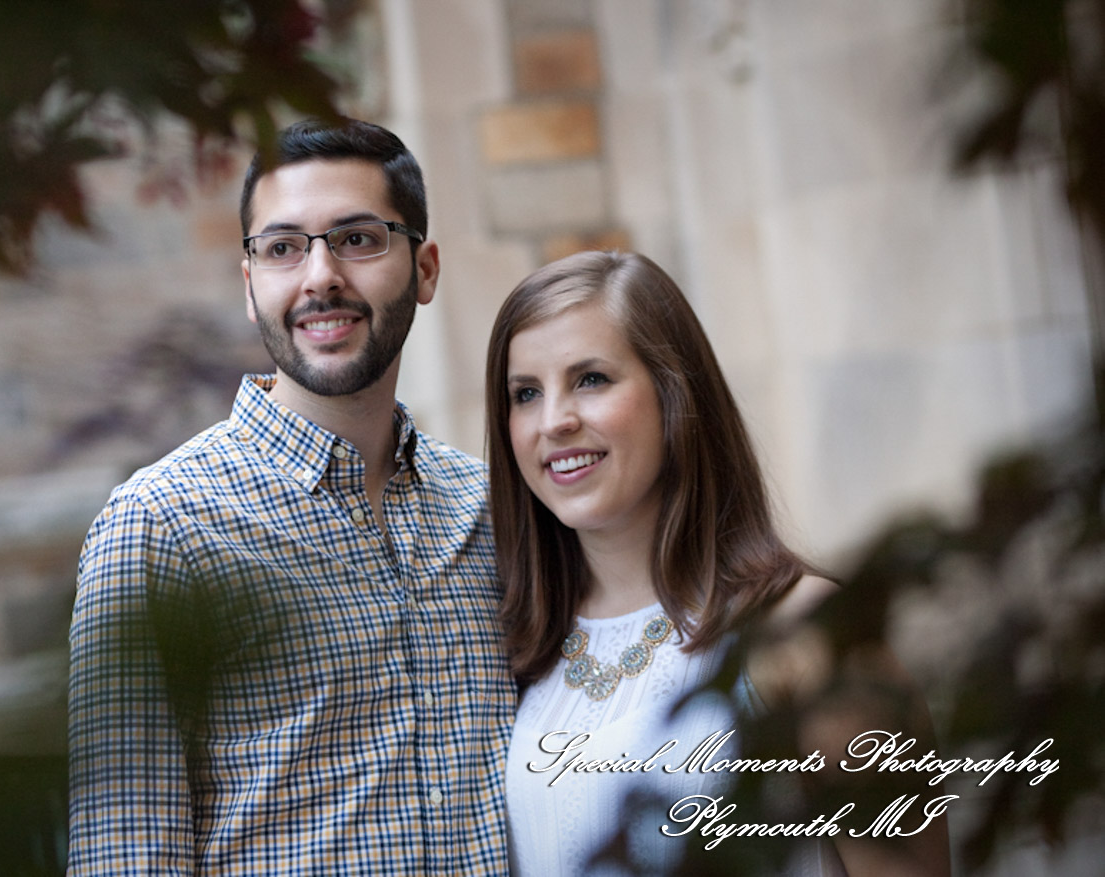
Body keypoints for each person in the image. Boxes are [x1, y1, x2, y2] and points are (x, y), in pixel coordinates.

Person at [68, 118, 514, 875]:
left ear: (426, 267)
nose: (319, 277)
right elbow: (126, 854)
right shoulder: (160, 526)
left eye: (359, 238)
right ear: (251, 286)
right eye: (282, 248)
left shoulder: (491, 508)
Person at [486, 251, 949, 876]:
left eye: (591, 378)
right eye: (525, 393)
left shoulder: (803, 632)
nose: (555, 420)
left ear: (674, 393)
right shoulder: (516, 650)